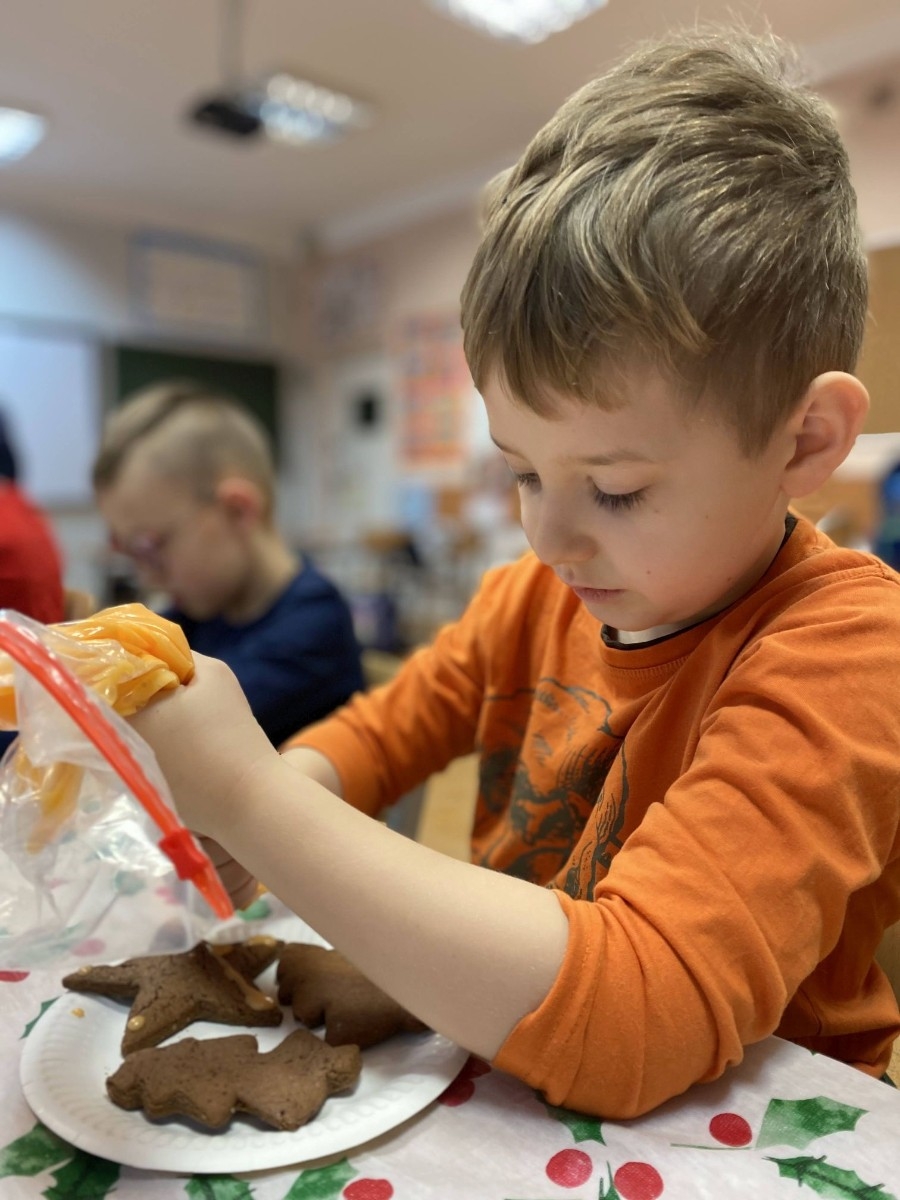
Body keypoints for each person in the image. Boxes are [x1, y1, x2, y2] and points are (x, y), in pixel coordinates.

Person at [129, 29, 900, 1119]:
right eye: (522, 472)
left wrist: (251, 798)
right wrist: (278, 797)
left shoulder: (849, 648)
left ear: (805, 441)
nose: (550, 537)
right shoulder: (535, 597)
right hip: (523, 1079)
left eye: (616, 488)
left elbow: (638, 1014)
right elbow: (379, 735)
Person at [93, 384, 364, 747]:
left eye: (151, 546)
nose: (148, 575)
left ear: (237, 510)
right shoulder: (203, 610)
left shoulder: (316, 625)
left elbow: (171, 732)